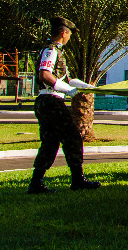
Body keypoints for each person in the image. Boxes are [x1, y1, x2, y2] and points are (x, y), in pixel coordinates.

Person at [28, 16, 99, 194]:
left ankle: (36, 182)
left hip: (47, 101)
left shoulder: (54, 51)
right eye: (68, 34)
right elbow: (45, 75)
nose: (69, 38)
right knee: (72, 138)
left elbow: (65, 78)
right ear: (63, 33)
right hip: (52, 100)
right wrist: (66, 90)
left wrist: (83, 86)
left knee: (50, 142)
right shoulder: (51, 51)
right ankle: (77, 179)